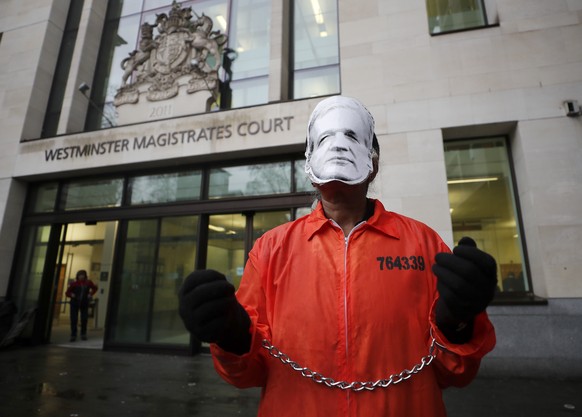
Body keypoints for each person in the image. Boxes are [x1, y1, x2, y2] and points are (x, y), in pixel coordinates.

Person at [178, 96, 498, 416]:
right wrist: (231, 333)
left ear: (373, 161)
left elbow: (455, 373)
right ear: (309, 160)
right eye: (325, 138)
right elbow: (249, 373)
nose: (338, 146)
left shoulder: (424, 245)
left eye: (351, 136)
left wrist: (457, 322)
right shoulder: (270, 250)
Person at [65, 269, 98, 342]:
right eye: (80, 275)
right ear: (77, 276)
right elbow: (67, 292)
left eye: (82, 275)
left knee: (84, 319)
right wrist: (71, 295)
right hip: (74, 303)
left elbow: (95, 288)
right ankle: (73, 335)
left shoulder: (88, 283)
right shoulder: (74, 283)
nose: (81, 276)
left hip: (84, 302)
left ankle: (83, 334)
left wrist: (90, 294)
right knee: (74, 319)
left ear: (85, 276)